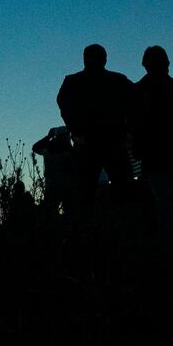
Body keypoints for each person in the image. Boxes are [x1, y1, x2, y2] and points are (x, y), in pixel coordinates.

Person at [56, 44, 136, 218]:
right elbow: (63, 105)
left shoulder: (73, 81)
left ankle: (88, 234)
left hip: (97, 143)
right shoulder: (118, 80)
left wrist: (77, 131)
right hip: (106, 143)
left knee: (89, 195)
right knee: (117, 191)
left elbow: (64, 105)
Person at [134, 46, 173, 243]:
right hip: (170, 154)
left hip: (164, 155)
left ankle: (172, 245)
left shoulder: (139, 90)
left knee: (166, 203)